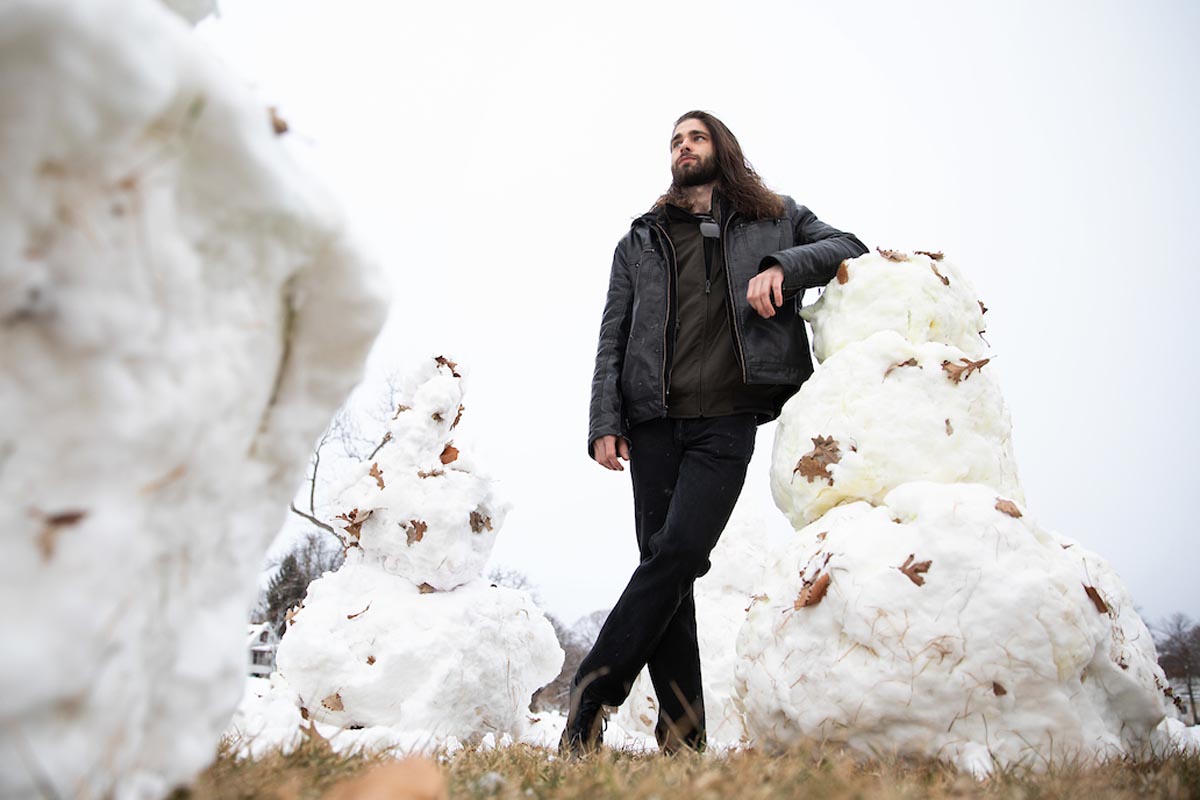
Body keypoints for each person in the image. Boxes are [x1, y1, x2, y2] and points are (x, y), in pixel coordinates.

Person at [561, 110, 867, 756]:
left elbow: (849, 248)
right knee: (667, 572)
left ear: (720, 148)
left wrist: (783, 265)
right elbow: (612, 337)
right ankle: (683, 740)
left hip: (726, 421)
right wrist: (603, 421)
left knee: (675, 558)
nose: (684, 147)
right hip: (651, 425)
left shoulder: (774, 218)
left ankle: (592, 692)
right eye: (675, 140)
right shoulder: (640, 241)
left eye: (695, 137)